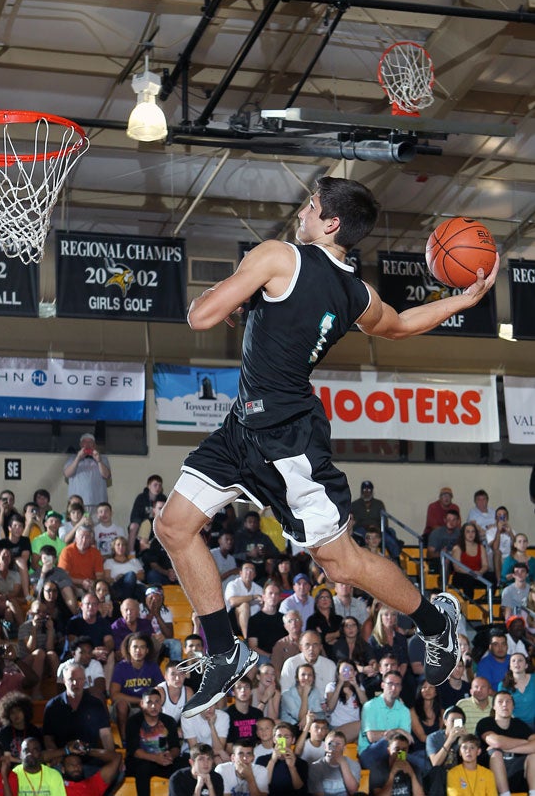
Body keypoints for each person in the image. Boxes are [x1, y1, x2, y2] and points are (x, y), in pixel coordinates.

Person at [153, 177, 496, 717]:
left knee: (341, 565)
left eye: (310, 206)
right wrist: (466, 298)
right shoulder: (356, 293)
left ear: (331, 222)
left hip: (289, 441)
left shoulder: (278, 256)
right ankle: (224, 651)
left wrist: (236, 289)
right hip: (242, 427)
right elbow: (401, 325)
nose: (302, 212)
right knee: (173, 525)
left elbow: (200, 316)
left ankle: (437, 620)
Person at [42, 663, 114, 756]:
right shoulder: (53, 706)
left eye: (79, 679)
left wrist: (111, 756)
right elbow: (48, 738)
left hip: (90, 757)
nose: (75, 683)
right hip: (63, 757)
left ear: (84, 680)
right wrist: (56, 757)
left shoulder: (95, 704)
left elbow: (106, 734)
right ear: (64, 681)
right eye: (71, 679)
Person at [476, 689, 535, 796]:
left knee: (533, 755)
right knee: (496, 753)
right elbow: (496, 742)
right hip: (490, 769)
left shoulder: (519, 724)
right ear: (493, 706)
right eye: (500, 701)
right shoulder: (485, 723)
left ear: (513, 706)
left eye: (508, 701)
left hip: (517, 768)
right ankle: (505, 794)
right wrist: (526, 742)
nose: (504, 705)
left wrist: (508, 748)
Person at [125, 687, 183, 796]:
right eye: (149, 702)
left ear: (161, 704)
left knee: (183, 765)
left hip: (164, 760)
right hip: (142, 761)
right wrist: (156, 758)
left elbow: (175, 747)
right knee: (143, 767)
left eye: (157, 702)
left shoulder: (169, 721)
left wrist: (170, 755)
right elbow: (135, 751)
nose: (153, 706)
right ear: (142, 704)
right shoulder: (133, 722)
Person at [109, 632, 164, 740]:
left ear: (147, 650)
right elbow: (114, 695)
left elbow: (162, 689)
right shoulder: (121, 667)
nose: (138, 651)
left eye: (142, 647)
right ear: (129, 649)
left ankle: (154, 739)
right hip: (127, 707)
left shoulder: (153, 667)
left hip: (148, 706)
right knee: (121, 705)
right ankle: (125, 740)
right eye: (135, 647)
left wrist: (150, 702)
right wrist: (140, 701)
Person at [357, 671, 412, 770]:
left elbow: (405, 740)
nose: (393, 688)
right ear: (382, 685)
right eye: (390, 684)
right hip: (369, 752)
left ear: (401, 688)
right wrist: (397, 731)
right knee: (387, 744)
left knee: (416, 760)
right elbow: (372, 737)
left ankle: (400, 768)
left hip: (395, 753)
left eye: (397, 685)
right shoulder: (370, 706)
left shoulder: (404, 710)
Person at [255, 721, 307, 796]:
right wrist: (272, 761)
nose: (282, 740)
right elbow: (261, 786)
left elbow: (300, 789)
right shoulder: (261, 760)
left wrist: (292, 767)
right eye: (279, 736)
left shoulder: (302, 763)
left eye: (286, 737)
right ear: (274, 739)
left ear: (293, 740)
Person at [63, 433, 112, 513]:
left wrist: (99, 461)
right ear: (80, 445)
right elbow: (67, 474)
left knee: (97, 521)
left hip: (98, 503)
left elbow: (106, 475)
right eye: (84, 442)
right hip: (78, 504)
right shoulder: (72, 458)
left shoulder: (102, 458)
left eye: (90, 442)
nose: (87, 444)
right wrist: (78, 458)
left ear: (94, 445)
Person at [324, 658, 367, 744]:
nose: (346, 673)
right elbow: (330, 708)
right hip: (337, 728)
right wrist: (340, 684)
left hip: (355, 727)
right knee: (365, 723)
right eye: (343, 670)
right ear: (338, 673)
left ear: (355, 673)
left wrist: (356, 686)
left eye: (350, 670)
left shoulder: (359, 687)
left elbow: (366, 705)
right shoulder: (331, 686)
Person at [280, 630, 336, 694]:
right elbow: (284, 691)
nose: (311, 649)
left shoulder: (330, 666)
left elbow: (333, 693)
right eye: (307, 645)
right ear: (300, 647)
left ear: (320, 647)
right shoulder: (291, 663)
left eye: (315, 645)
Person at [307, 729, 360, 796]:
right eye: (330, 743)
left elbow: (353, 791)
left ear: (344, 748)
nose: (334, 746)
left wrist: (343, 763)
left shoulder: (353, 764)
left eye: (338, 744)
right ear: (325, 747)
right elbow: (318, 794)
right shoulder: (316, 767)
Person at [0, 516, 32, 601]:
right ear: (9, 528)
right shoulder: (1, 543)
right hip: (4, 568)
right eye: (15, 526)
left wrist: (10, 558)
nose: (18, 529)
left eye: (20, 526)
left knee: (21, 561)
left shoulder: (25, 541)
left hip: (19, 568)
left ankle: (26, 594)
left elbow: (25, 558)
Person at [450, 521, 496, 598]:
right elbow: (457, 568)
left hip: (477, 575)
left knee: (491, 576)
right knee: (468, 579)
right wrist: (471, 573)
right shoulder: (457, 548)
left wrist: (480, 572)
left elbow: (485, 565)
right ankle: (470, 602)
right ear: (463, 534)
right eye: (468, 532)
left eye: (473, 532)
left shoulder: (481, 547)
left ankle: (486, 599)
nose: (471, 534)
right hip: (462, 575)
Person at [56, 636, 107, 704]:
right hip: (71, 699)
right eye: (82, 652)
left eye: (89, 653)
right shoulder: (64, 667)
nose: (87, 656)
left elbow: (100, 688)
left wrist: (80, 693)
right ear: (73, 653)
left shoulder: (95, 664)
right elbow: (61, 691)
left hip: (90, 699)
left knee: (99, 696)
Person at [0, 693, 44, 763]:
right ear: (7, 715)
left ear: (25, 711)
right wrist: (23, 762)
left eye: (19, 710)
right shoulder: (5, 732)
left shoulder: (34, 730)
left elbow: (41, 754)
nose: (16, 714)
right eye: (12, 712)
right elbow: (7, 757)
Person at [373, 730, 424, 796]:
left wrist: (412, 775)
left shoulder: (414, 768)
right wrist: (392, 774)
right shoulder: (379, 769)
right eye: (397, 749)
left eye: (404, 750)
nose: (400, 753)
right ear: (388, 750)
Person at [58, 526, 105, 597]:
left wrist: (93, 584)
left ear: (91, 540)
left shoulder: (96, 553)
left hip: (90, 585)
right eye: (81, 537)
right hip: (72, 584)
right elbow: (63, 576)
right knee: (66, 587)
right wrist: (81, 582)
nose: (84, 540)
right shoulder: (67, 551)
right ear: (76, 538)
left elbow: (99, 576)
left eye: (87, 537)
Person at [246, 583, 286, 667]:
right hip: (264, 657)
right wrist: (270, 656)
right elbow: (253, 646)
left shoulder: (284, 619)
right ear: (263, 597)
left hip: (282, 656)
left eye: (276, 594)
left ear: (279, 598)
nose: (273, 596)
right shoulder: (254, 620)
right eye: (270, 593)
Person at [233, 512, 278, 584]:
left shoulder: (264, 537)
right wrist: (249, 554)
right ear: (245, 523)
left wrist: (266, 554)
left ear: (259, 523)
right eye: (250, 522)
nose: (252, 524)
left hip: (262, 573)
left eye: (255, 522)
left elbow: (276, 553)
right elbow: (232, 556)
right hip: (243, 573)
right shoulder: (238, 537)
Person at [224, 563, 264, 640]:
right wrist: (253, 597)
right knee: (245, 605)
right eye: (246, 569)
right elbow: (233, 602)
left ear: (255, 575)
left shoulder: (259, 589)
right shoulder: (233, 584)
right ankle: (246, 639)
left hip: (252, 621)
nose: (249, 572)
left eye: (251, 570)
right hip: (232, 620)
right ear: (240, 573)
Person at [279, 663, 323, 731]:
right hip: (289, 729)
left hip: (307, 728)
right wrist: (305, 695)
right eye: (303, 675)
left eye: (310, 675)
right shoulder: (287, 695)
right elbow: (300, 717)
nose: (306, 678)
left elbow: (320, 714)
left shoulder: (315, 692)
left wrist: (309, 717)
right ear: (297, 678)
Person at [128, 474, 165, 555]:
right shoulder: (141, 498)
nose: (158, 487)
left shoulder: (163, 498)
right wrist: (145, 521)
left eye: (160, 485)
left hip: (157, 522)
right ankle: (131, 553)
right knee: (133, 526)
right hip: (143, 522)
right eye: (155, 485)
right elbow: (135, 515)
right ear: (149, 486)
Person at [225, 678, 264, 752]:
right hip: (235, 754)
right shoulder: (227, 715)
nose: (243, 690)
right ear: (233, 692)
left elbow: (261, 740)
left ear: (251, 691)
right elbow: (228, 746)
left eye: (247, 687)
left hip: (255, 753)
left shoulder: (257, 713)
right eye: (239, 687)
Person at [498, 651, 535, 729]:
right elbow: (501, 707)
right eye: (513, 661)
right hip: (515, 724)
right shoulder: (503, 685)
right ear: (510, 667)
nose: (516, 663)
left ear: (526, 665)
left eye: (520, 660)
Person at [103, 536, 145, 602]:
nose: (121, 547)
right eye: (118, 545)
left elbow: (142, 576)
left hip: (136, 585)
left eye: (123, 545)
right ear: (114, 547)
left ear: (126, 547)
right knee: (131, 574)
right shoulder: (109, 562)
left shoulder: (134, 561)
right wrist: (116, 578)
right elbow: (106, 579)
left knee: (148, 590)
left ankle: (127, 601)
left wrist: (128, 577)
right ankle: (127, 601)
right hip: (118, 587)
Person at [426, 509, 461, 576]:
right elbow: (429, 554)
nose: (451, 522)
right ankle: (442, 581)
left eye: (454, 520)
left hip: (455, 560)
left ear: (458, 521)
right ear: (444, 520)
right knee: (445, 561)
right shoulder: (436, 533)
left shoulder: (460, 534)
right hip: (438, 560)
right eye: (449, 519)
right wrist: (442, 554)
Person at [270, 611, 302, 675]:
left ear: (302, 622)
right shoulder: (280, 645)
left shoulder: (311, 640)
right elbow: (276, 669)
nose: (294, 623)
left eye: (296, 619)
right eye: (290, 621)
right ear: (285, 626)